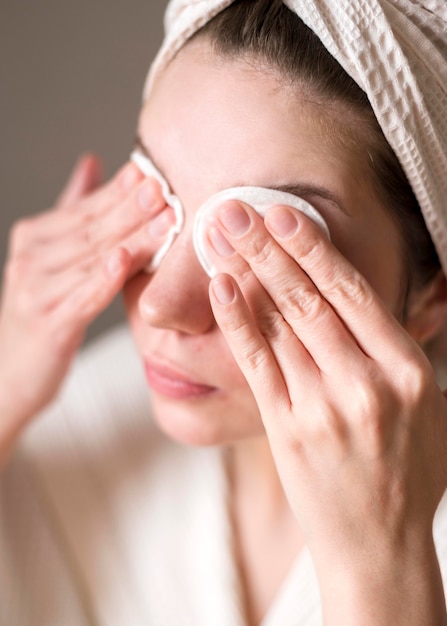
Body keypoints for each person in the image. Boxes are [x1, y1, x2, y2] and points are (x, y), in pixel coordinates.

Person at [1, 0, 447, 624]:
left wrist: (384, 575)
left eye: (265, 244)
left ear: (432, 297)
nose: (160, 306)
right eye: (158, 200)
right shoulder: (84, 421)